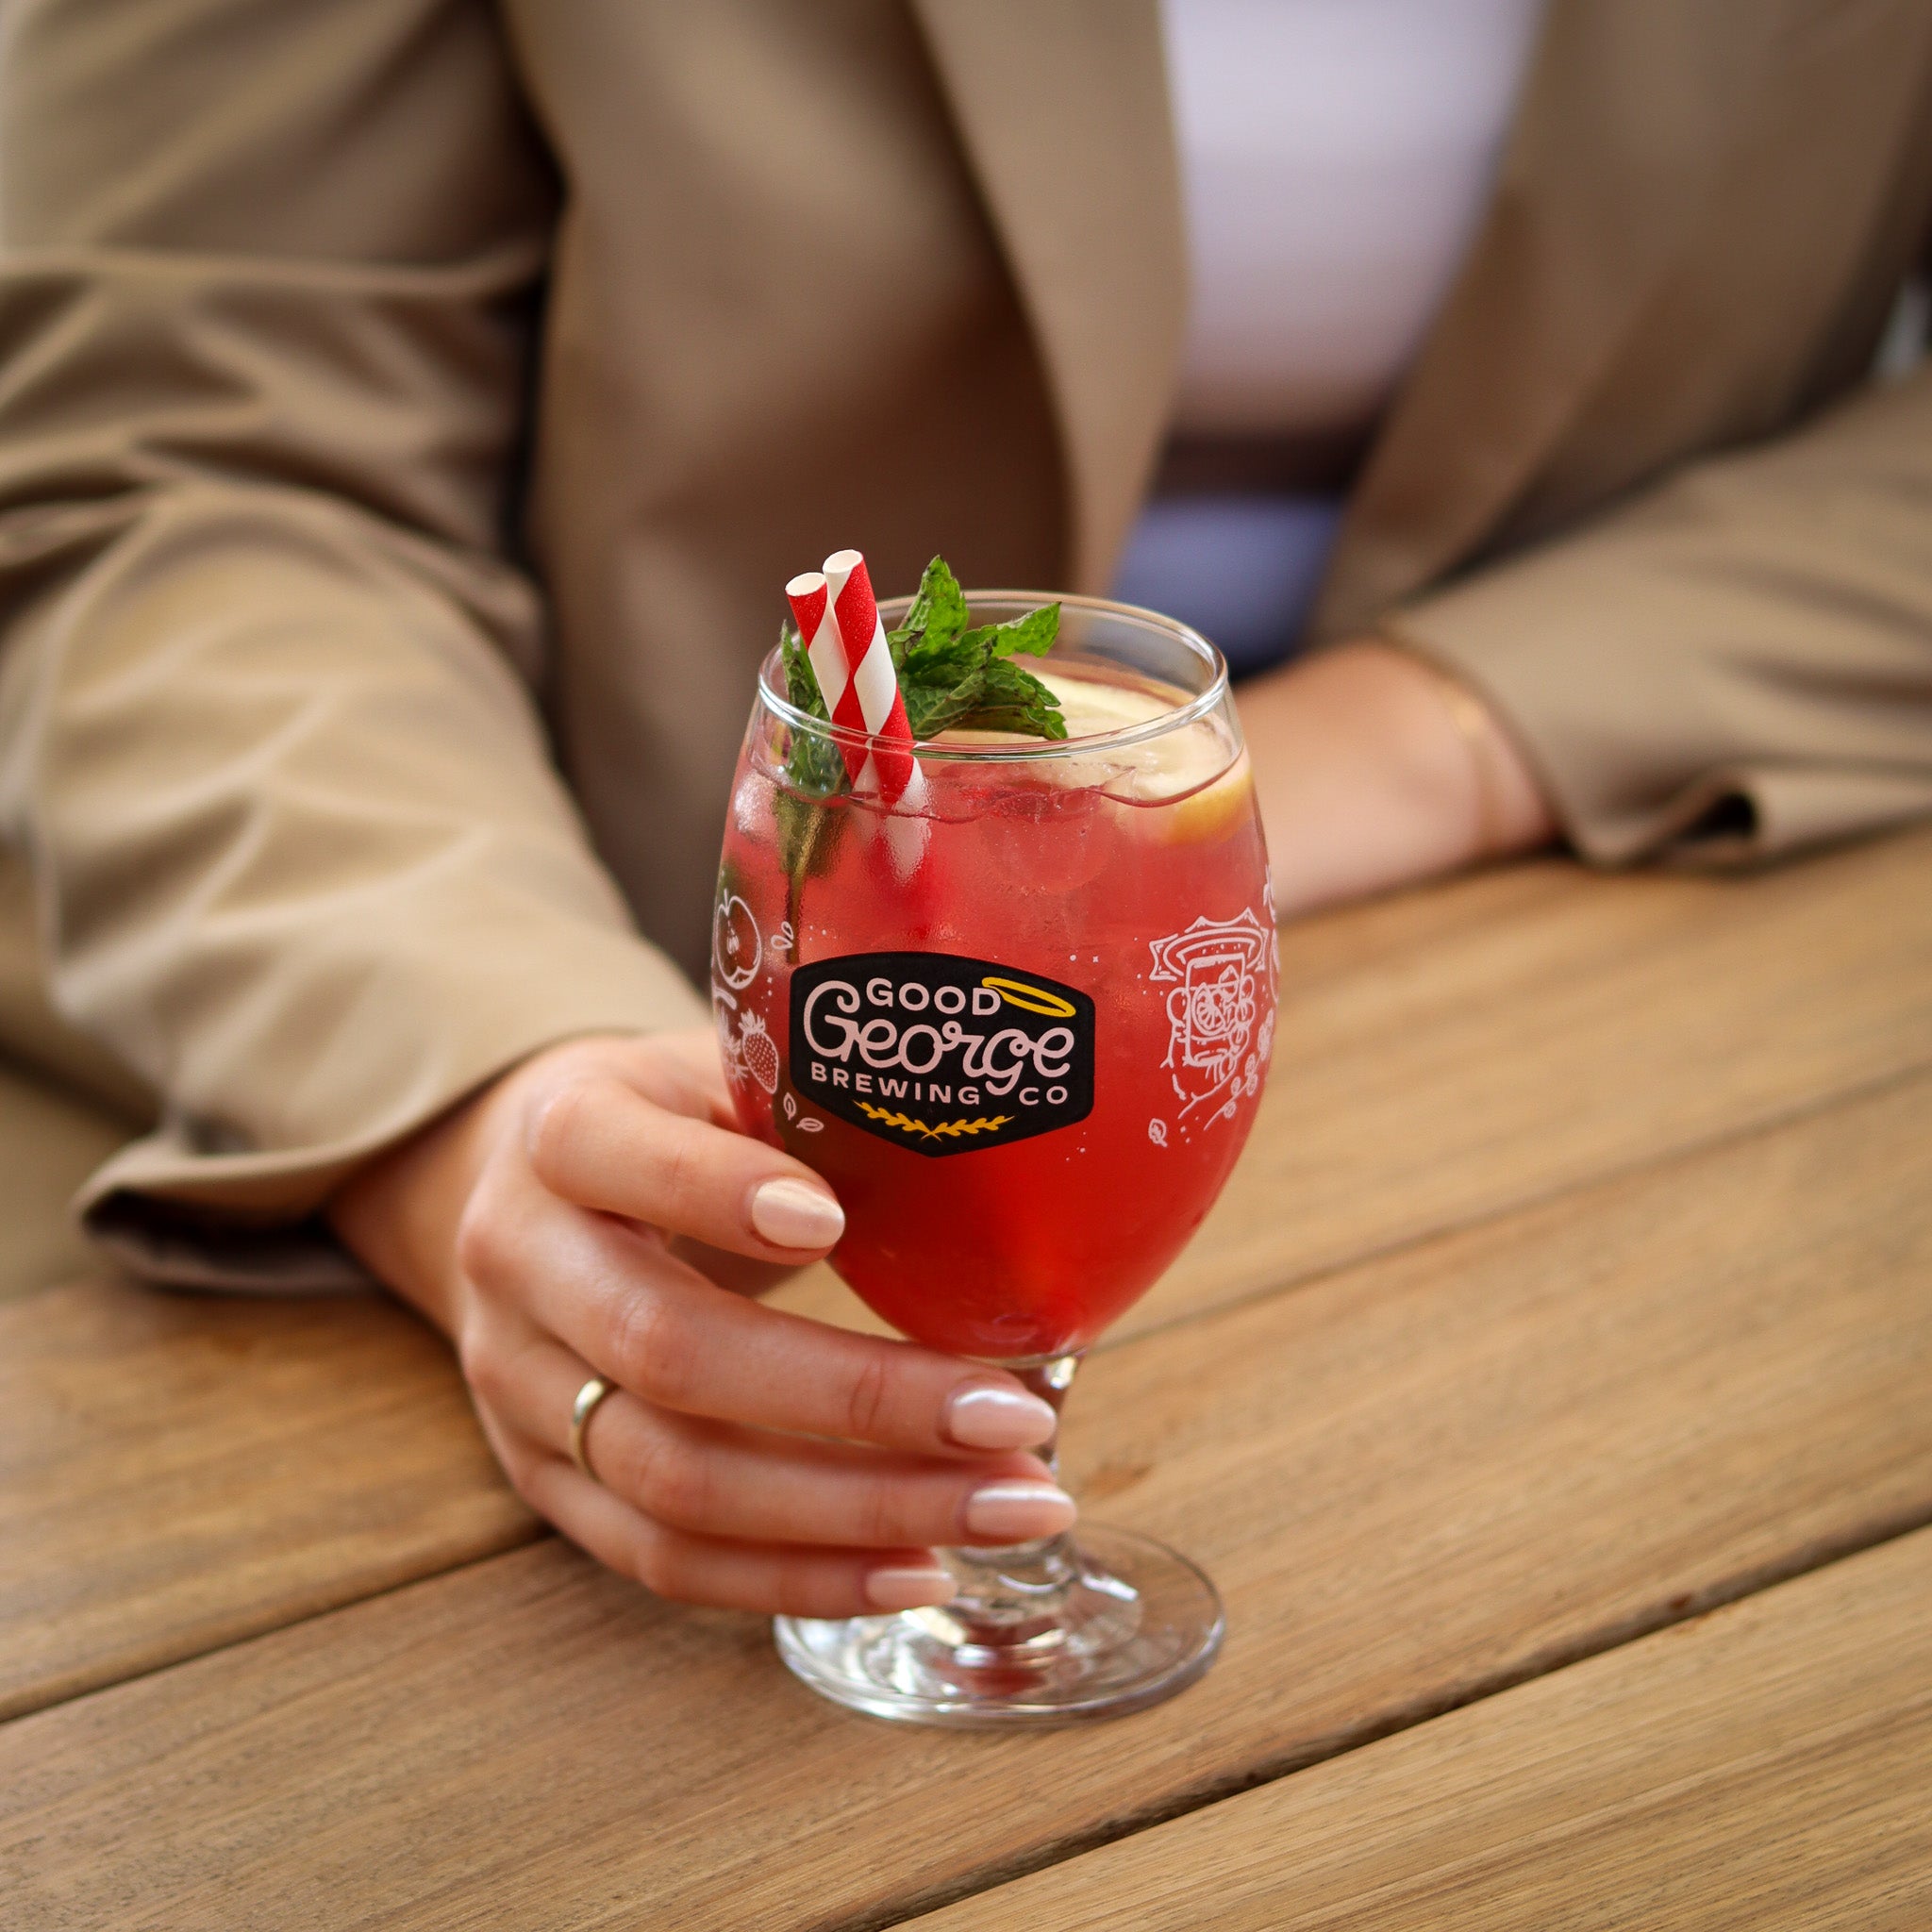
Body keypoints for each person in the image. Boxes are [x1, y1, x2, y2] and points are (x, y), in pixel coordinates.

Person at [1, 1, 1928, 1615]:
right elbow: (182, 469)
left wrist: (1402, 747)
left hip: (1609, 963)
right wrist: (479, 1086)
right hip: (571, 989)